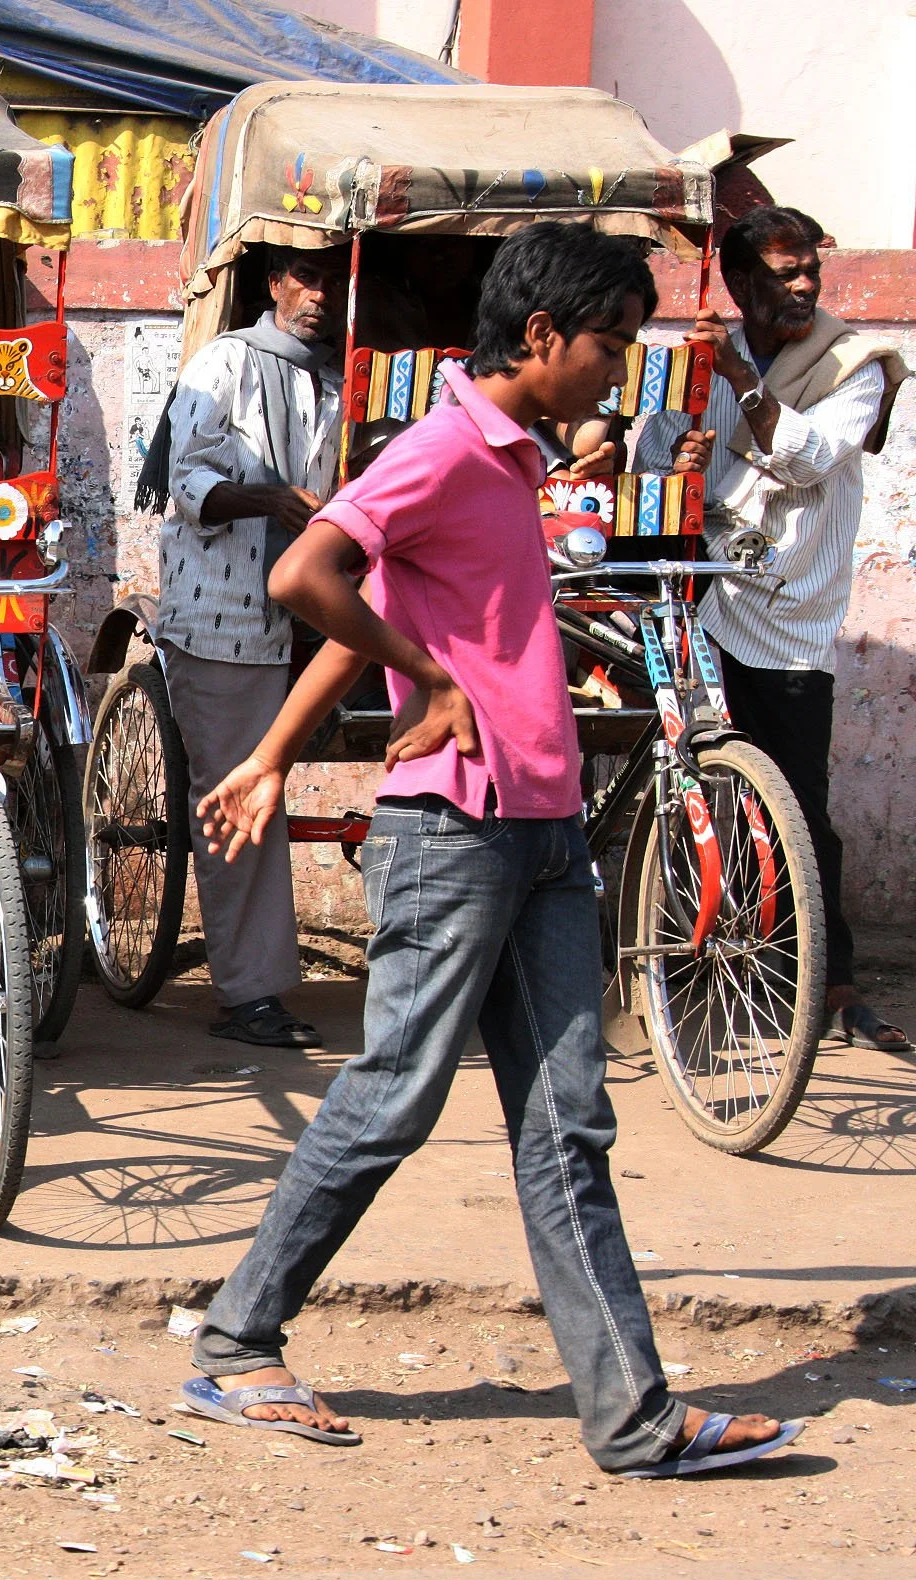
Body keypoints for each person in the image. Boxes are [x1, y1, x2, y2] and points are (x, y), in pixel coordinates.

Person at [178, 223, 801, 1479]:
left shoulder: (505, 460)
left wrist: (275, 754)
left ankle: (632, 1417)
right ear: (540, 337)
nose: (618, 370)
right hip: (451, 830)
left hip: (539, 826)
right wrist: (425, 678)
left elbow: (381, 617)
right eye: (609, 344)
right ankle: (240, 1339)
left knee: (568, 1120)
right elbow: (311, 574)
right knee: (394, 1094)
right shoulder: (448, 445)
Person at [635, 206, 912, 1052]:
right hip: (701, 598)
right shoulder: (698, 357)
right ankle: (693, 969)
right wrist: (676, 460)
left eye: (809, 273)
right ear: (741, 282)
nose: (801, 288)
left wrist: (741, 386)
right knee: (696, 794)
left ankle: (829, 984)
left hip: (788, 612)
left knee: (797, 804)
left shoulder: (853, 364)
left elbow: (808, 459)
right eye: (782, 274)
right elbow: (651, 457)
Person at [147, 246, 349, 1049]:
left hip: (325, 603)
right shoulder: (225, 362)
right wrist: (267, 498)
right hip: (226, 612)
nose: (317, 294)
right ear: (275, 284)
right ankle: (250, 993)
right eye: (304, 276)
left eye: (332, 279)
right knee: (244, 796)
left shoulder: (347, 378)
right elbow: (187, 483)